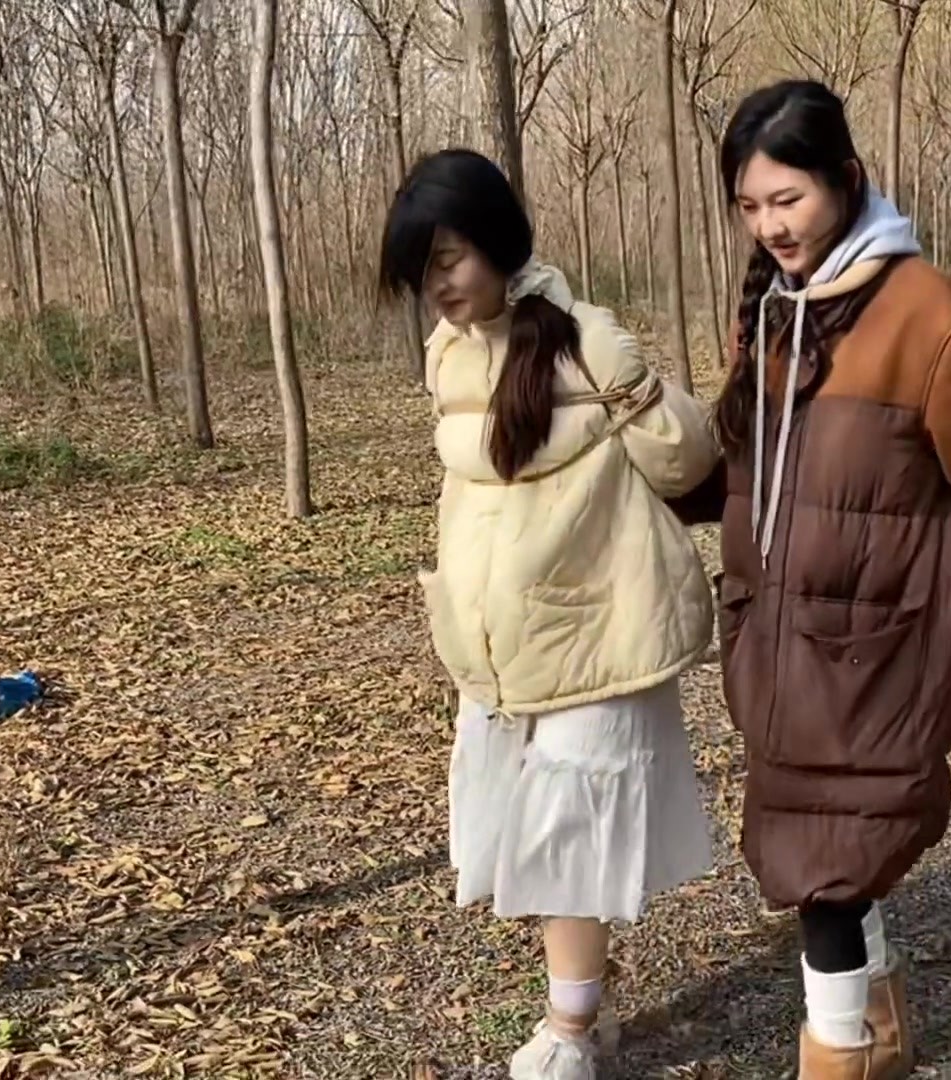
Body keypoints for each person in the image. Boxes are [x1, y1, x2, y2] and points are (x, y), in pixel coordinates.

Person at [675, 80, 951, 1078]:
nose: (769, 225)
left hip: (870, 651)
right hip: (774, 647)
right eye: (749, 206)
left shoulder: (926, 314)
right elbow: (742, 467)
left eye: (787, 199)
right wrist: (649, 462)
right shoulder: (772, 312)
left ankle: (838, 1055)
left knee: (825, 870)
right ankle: (877, 1038)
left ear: (846, 180)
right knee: (832, 857)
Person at [379, 148, 721, 1080]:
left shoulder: (587, 339)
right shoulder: (447, 352)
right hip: (500, 638)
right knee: (530, 833)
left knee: (568, 837)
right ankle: (583, 1016)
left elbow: (685, 461)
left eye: (449, 258)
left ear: (499, 240)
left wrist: (637, 389)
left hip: (593, 627)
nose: (437, 284)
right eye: (421, 269)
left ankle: (570, 1034)